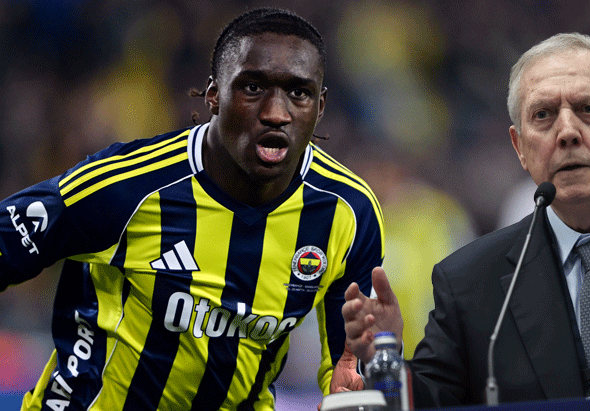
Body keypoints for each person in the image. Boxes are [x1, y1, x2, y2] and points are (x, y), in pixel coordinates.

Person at [0, 7, 384, 411]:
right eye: (253, 88)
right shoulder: (127, 187)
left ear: (320, 107)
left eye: (299, 93)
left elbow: (348, 366)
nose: (276, 113)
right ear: (214, 94)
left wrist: (357, 389)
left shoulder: (348, 213)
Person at [340, 32, 590, 407]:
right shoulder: (470, 284)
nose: (567, 132)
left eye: (588, 109)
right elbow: (435, 400)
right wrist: (385, 355)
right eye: (543, 115)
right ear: (520, 148)